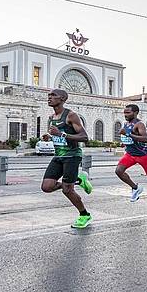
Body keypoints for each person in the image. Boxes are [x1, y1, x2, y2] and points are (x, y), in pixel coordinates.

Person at [41, 89, 94, 229]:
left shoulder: (71, 115)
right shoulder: (52, 117)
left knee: (67, 190)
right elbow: (57, 134)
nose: (49, 98)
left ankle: (84, 215)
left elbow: (84, 137)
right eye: (49, 96)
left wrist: (62, 134)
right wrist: (50, 137)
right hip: (58, 155)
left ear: (63, 98)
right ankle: (78, 180)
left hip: (72, 156)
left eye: (53, 96)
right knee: (46, 187)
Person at [115, 104, 147, 204]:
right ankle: (135, 188)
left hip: (143, 155)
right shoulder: (126, 124)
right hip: (130, 154)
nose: (125, 115)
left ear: (136, 113)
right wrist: (125, 142)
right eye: (124, 113)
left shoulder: (139, 124)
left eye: (128, 112)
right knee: (119, 171)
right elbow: (131, 138)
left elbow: (145, 139)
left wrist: (127, 134)